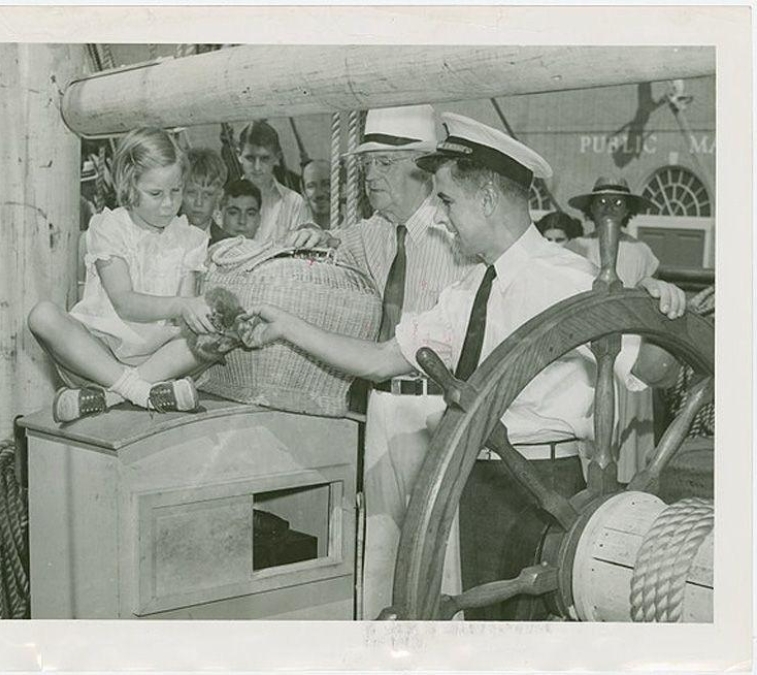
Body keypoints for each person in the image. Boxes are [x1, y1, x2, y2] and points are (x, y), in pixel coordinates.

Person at [240, 112, 685, 621]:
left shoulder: (565, 279)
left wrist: (658, 310)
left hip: (546, 487)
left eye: (448, 201)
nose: (443, 216)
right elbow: (384, 360)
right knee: (482, 629)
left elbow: (660, 370)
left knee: (529, 638)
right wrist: (286, 326)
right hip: (477, 484)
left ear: (489, 199)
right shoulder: (470, 290)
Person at [287, 104, 477, 619]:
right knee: (380, 549)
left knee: (441, 550)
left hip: (442, 409)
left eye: (386, 164)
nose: (371, 175)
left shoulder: (460, 234)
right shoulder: (370, 233)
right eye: (368, 163)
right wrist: (311, 234)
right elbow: (329, 243)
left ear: (423, 168)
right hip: (381, 407)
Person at [28, 127, 217, 423]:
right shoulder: (110, 227)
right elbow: (124, 303)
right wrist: (182, 305)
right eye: (155, 194)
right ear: (129, 186)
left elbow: (185, 315)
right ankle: (141, 392)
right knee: (42, 315)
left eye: (176, 191)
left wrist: (195, 315)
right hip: (96, 356)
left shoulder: (189, 238)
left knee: (212, 338)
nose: (168, 204)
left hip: (156, 360)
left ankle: (111, 397)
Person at [567, 176, 661, 481]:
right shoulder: (576, 247)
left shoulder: (642, 252)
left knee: (630, 408)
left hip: (630, 342)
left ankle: (627, 481)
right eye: (602, 202)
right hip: (589, 341)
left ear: (628, 210)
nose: (609, 208)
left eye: (618, 203)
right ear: (591, 208)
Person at [237, 120, 312, 242]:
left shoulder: (294, 202)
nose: (257, 167)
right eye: (250, 158)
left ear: (277, 156)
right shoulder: (223, 200)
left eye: (264, 158)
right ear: (238, 155)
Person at [181, 147, 227, 243]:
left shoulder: (227, 244)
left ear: (219, 195)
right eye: (192, 193)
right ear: (179, 192)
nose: (198, 203)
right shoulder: (158, 238)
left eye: (207, 195)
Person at [300, 159, 332, 229]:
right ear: (303, 191)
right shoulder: (298, 230)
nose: (319, 194)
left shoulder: (353, 227)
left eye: (326, 184)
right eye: (311, 186)